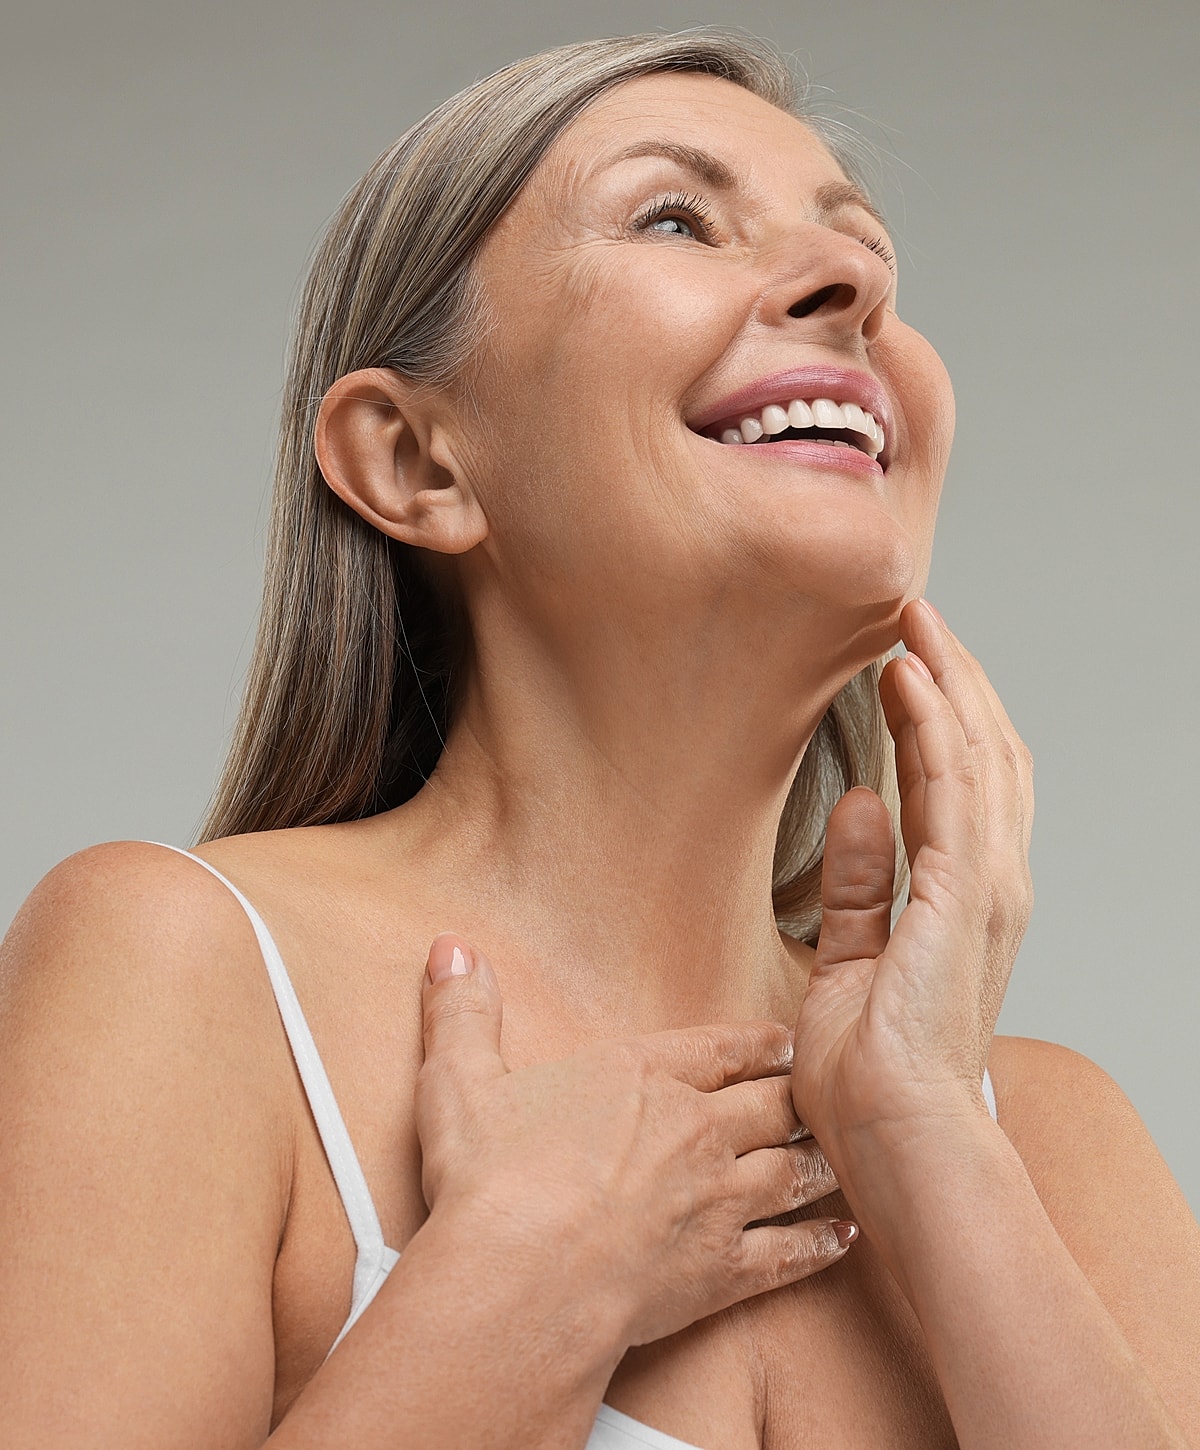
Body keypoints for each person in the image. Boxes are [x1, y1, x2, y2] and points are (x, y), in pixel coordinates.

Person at [1, 29, 1196, 1450]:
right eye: (675, 217)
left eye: (864, 249)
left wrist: (930, 1141)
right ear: (415, 460)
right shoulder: (178, 977)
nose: (857, 285)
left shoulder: (1052, 1142)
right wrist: (517, 1284)